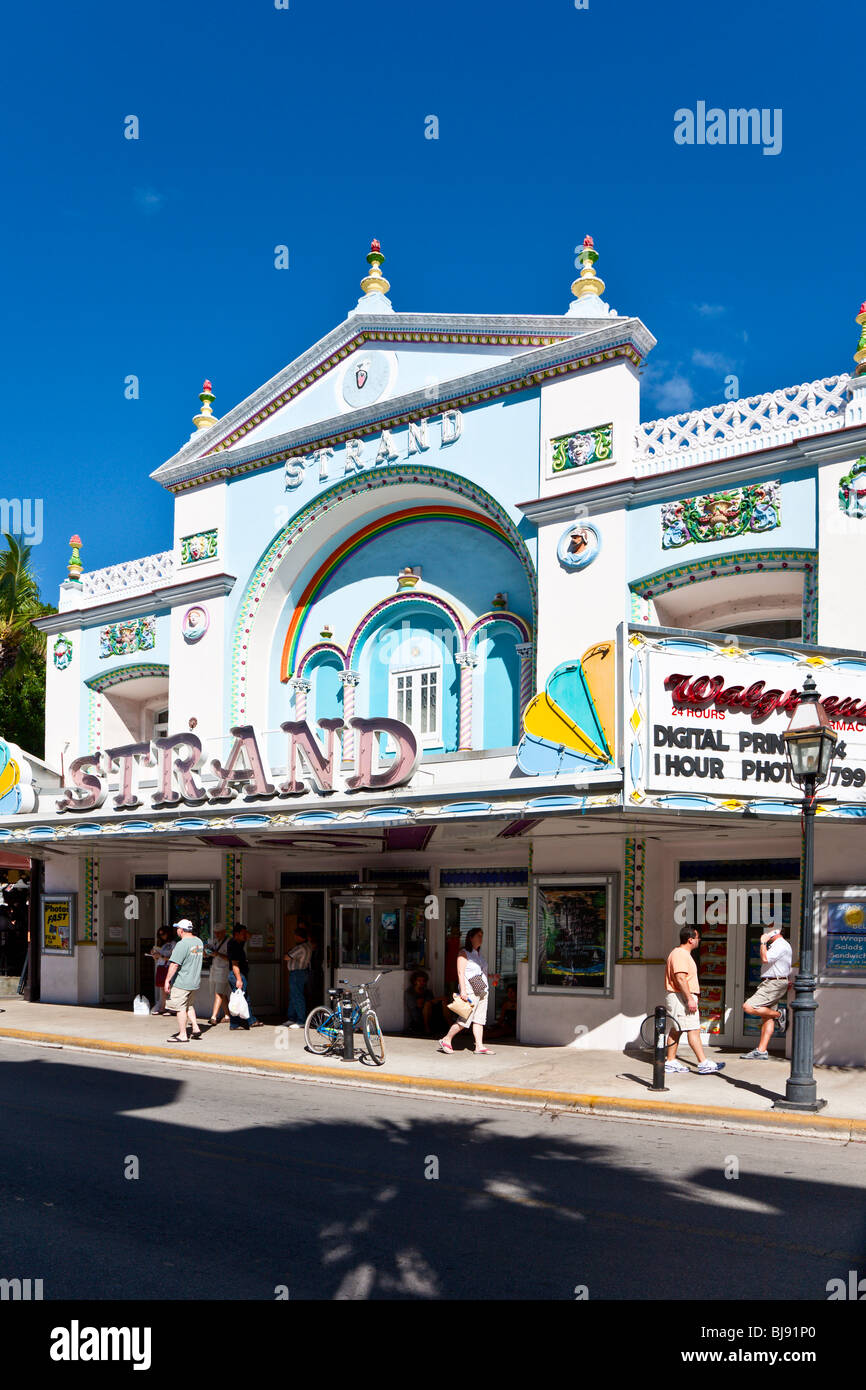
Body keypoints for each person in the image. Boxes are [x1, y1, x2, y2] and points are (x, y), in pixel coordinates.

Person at [664, 925, 725, 1075]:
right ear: (690, 939)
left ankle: (670, 1061)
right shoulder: (680, 954)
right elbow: (680, 978)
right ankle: (703, 1062)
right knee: (693, 1029)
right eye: (697, 938)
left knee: (676, 1029)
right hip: (681, 996)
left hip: (679, 996)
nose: (699, 941)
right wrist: (689, 999)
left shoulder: (680, 954)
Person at [438, 927, 500, 1055]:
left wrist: (492, 977)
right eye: (478, 935)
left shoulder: (478, 955)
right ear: (471, 938)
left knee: (479, 1020)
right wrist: (463, 992)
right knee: (465, 1019)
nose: (481, 938)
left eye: (482, 935)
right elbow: (460, 972)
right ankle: (446, 1039)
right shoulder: (464, 953)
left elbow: (480, 973)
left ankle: (479, 1046)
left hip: (482, 989)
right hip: (470, 990)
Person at [740, 924, 793, 1059]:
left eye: (768, 930)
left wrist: (763, 942)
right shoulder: (780, 945)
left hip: (773, 983)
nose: (765, 932)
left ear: (777, 931)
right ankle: (762, 1050)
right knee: (766, 1017)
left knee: (749, 1006)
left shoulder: (780, 945)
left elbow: (765, 959)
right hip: (774, 981)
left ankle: (779, 1014)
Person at [164, 919, 205, 1042]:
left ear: (181, 930)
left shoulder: (181, 944)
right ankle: (196, 1027)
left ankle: (182, 1034)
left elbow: (174, 965)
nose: (176, 930)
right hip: (194, 981)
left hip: (182, 981)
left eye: (177, 928)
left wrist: (167, 980)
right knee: (189, 1005)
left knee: (180, 1008)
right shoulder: (198, 942)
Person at [227, 924, 264, 1031]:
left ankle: (251, 1021)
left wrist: (244, 932)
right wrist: (238, 979)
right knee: (237, 998)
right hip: (237, 974)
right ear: (236, 934)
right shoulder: (233, 945)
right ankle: (234, 1024)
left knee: (245, 998)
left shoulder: (239, 942)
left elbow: (249, 936)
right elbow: (234, 964)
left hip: (240, 974)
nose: (245, 935)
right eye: (242, 933)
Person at [283, 924, 313, 1028]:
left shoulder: (300, 947)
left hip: (297, 973)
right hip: (302, 972)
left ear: (299, 936)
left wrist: (288, 952)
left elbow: (287, 957)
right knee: (294, 995)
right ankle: (292, 1018)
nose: (294, 938)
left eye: (295, 936)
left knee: (297, 996)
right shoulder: (309, 945)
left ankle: (301, 1020)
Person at [404, 969, 449, 1036]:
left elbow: (432, 1003)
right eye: (419, 981)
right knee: (427, 1004)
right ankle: (426, 1029)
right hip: (418, 1018)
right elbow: (418, 1005)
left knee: (443, 1002)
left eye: (423, 981)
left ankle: (450, 1025)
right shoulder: (410, 992)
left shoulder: (427, 991)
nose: (422, 983)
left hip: (431, 1015)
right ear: (414, 981)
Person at [206, 923, 231, 1026]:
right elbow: (209, 954)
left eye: (219, 933)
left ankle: (213, 1017)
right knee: (223, 994)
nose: (217, 935)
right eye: (215, 933)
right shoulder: (214, 941)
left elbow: (230, 958)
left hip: (224, 970)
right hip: (214, 969)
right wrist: (207, 951)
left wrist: (218, 954)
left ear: (224, 932)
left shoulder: (229, 942)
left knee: (218, 993)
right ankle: (227, 1015)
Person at [150, 926, 173, 1014]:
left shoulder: (173, 944)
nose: (162, 936)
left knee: (168, 988)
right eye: (160, 935)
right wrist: (155, 955)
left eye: (163, 934)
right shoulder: (161, 944)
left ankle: (170, 1008)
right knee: (162, 988)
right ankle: (162, 1007)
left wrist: (162, 956)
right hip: (161, 966)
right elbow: (158, 958)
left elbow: (173, 958)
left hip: (168, 967)